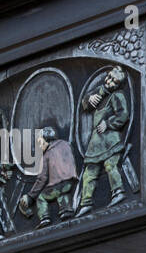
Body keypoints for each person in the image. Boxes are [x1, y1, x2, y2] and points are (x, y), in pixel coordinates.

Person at [77, 65, 130, 217]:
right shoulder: (100, 92)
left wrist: (109, 123)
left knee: (110, 165)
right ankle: (85, 202)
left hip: (110, 139)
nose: (109, 81)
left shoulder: (117, 96)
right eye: (109, 77)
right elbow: (85, 104)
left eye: (113, 81)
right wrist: (89, 99)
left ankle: (118, 191)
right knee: (89, 172)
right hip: (96, 141)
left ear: (118, 84)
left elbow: (123, 114)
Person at [18, 127, 78, 229]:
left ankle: (44, 218)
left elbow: (42, 179)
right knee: (62, 193)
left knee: (41, 197)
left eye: (40, 142)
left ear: (47, 139)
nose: (39, 146)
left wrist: (31, 196)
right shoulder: (65, 144)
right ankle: (65, 210)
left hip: (57, 184)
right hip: (70, 181)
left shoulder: (46, 155)